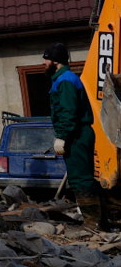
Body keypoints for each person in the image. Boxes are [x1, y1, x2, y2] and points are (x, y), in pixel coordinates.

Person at [43, 42, 106, 229]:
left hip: (76, 134)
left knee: (81, 178)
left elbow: (68, 111)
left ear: (56, 61)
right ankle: (101, 222)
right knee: (85, 176)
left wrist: (62, 136)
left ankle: (92, 224)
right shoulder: (63, 78)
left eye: (46, 59)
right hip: (78, 132)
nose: (44, 63)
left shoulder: (65, 81)